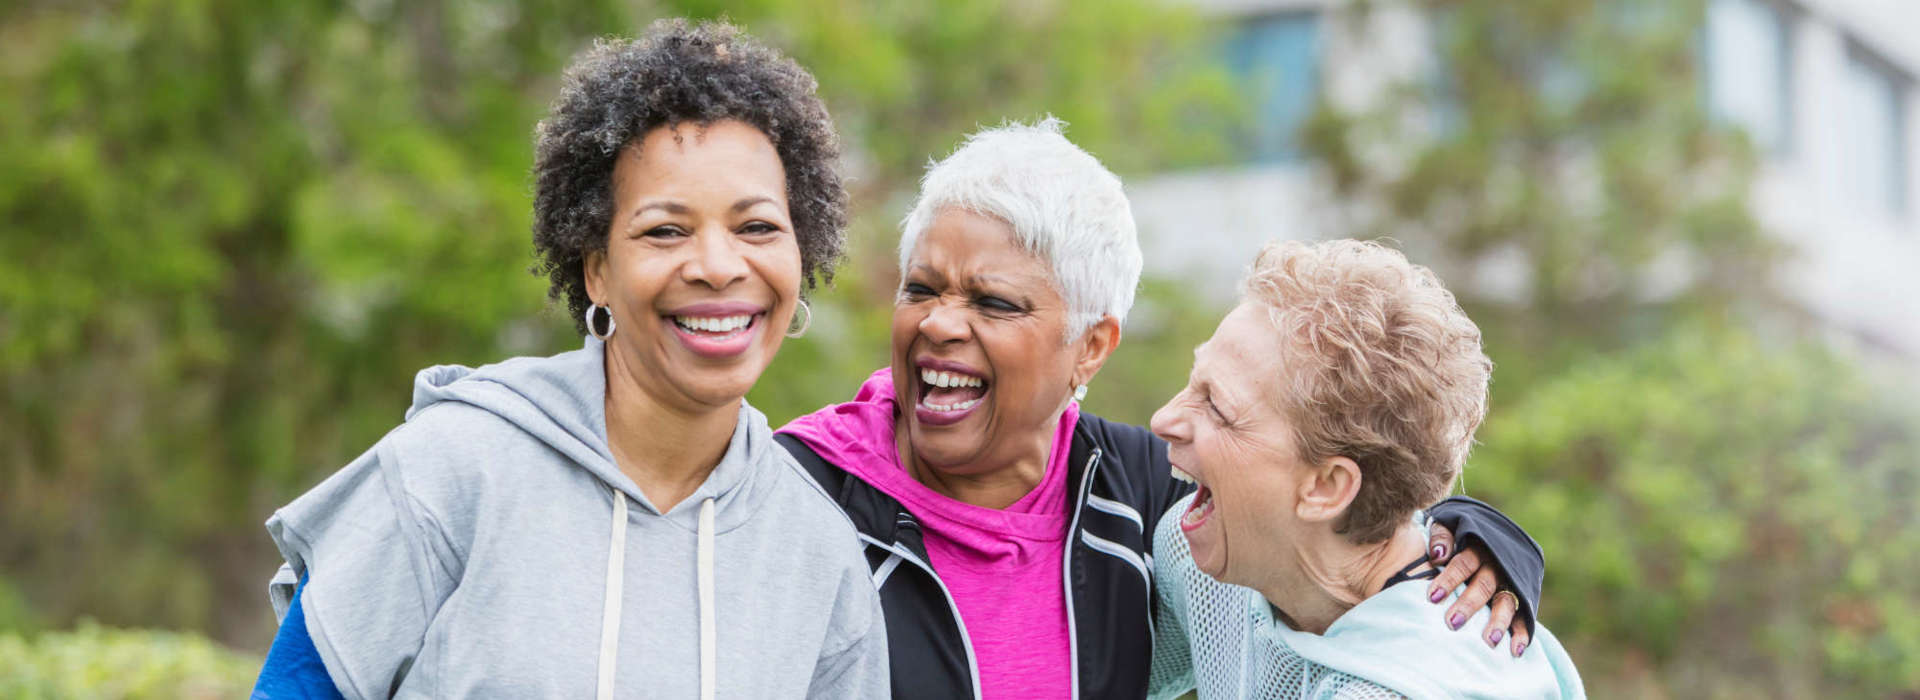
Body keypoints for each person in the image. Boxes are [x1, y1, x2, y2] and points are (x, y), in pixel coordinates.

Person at [776, 120, 1544, 700]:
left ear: (1091, 347)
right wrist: (1457, 532)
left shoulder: (1141, 500)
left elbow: (1365, 510)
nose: (1167, 421)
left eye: (994, 302)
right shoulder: (790, 496)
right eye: (920, 288)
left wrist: (1472, 538)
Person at [250, 20, 887, 699]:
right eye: (665, 230)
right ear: (597, 271)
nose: (717, 266)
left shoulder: (819, 554)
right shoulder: (452, 470)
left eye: (757, 227)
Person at [1146, 239, 1584, 699]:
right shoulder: (1204, 559)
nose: (1163, 420)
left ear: (1327, 487)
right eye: (1194, 382)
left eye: (1217, 407)